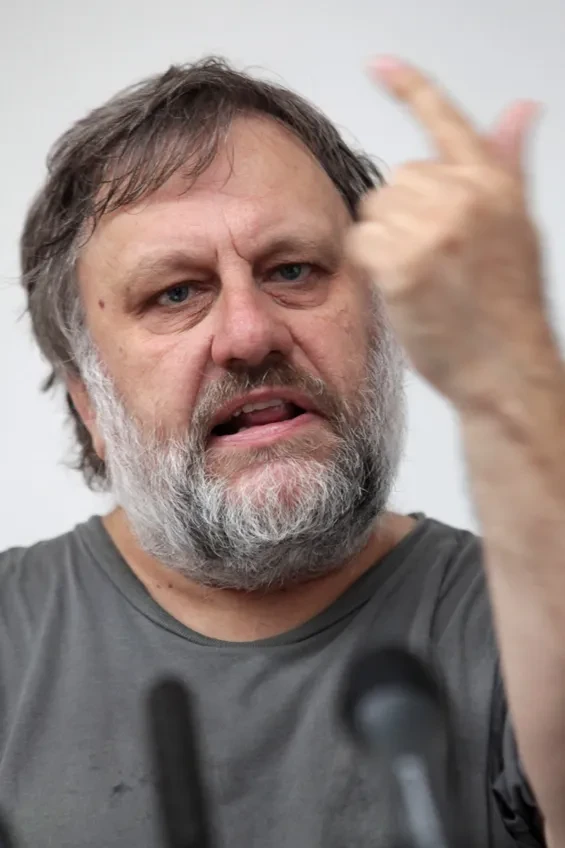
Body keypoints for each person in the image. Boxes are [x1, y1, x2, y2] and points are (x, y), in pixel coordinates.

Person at [1, 52, 563, 847]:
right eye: (175, 292)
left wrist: (508, 366)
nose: (249, 333)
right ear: (88, 400)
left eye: (292, 270)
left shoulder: (523, 619)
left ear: (382, 321)